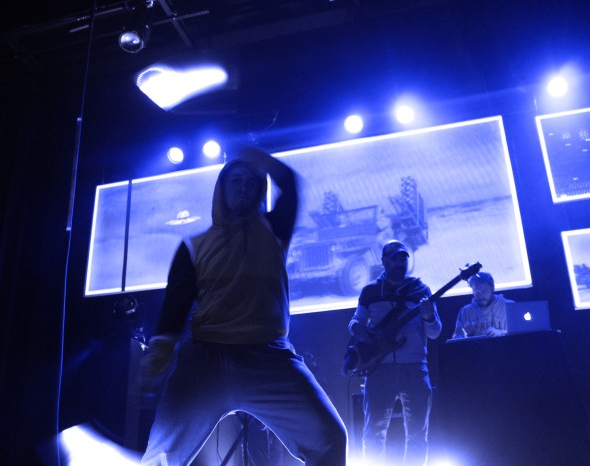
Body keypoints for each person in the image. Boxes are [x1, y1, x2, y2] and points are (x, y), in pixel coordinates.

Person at [139, 146, 347, 466]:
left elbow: (289, 184)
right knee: (161, 458)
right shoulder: (193, 247)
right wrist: (157, 357)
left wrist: (256, 156)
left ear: (260, 191)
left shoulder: (274, 231)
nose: (243, 187)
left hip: (270, 359)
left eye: (251, 182)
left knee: (329, 439)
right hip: (205, 362)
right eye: (235, 180)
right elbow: (173, 311)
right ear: (221, 189)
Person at [348, 240, 441, 465]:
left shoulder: (421, 290)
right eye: (394, 258)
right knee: (374, 431)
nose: (400, 262)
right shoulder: (370, 291)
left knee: (418, 432)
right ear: (383, 261)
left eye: (403, 258)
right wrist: (365, 335)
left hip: (415, 368)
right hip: (380, 368)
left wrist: (428, 316)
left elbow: (435, 332)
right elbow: (355, 322)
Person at [451, 272, 514, 339]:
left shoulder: (509, 306)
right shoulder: (466, 311)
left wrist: (502, 333)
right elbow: (457, 337)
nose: (481, 295)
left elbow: (519, 334)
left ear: (492, 288)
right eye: (476, 291)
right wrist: (465, 336)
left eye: (484, 290)